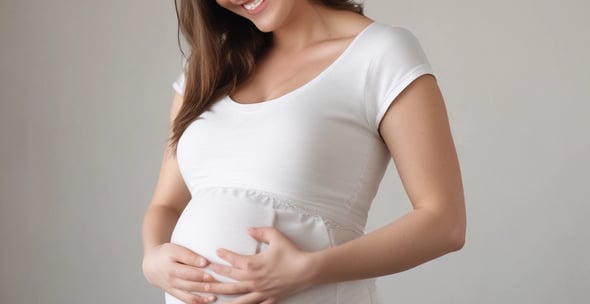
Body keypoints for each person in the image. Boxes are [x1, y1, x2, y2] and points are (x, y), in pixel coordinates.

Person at [142, 0, 466, 303]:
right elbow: (166, 204)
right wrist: (152, 256)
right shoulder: (209, 66)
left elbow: (444, 222)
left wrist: (310, 268)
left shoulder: (379, 52)